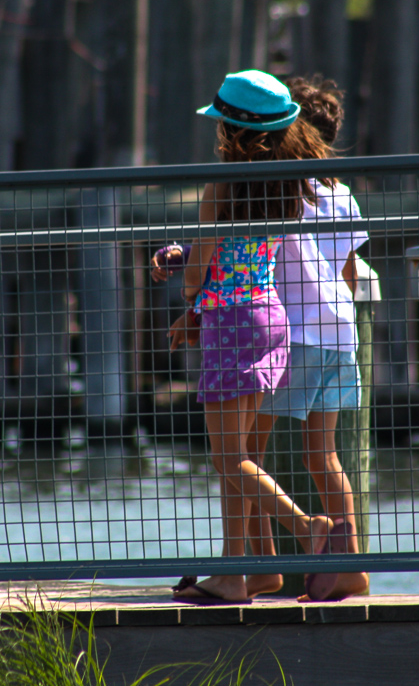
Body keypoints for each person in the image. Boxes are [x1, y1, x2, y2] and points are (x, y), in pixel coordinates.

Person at [151, 69, 340, 605]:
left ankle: (306, 527)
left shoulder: (222, 184)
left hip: (231, 326)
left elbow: (201, 272)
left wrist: (190, 298)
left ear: (231, 130)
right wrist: (192, 261)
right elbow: (236, 254)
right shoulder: (284, 184)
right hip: (268, 318)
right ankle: (235, 574)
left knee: (229, 460)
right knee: (237, 458)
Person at [247, 75, 371, 602]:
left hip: (294, 335)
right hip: (340, 332)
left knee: (245, 452)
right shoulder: (342, 193)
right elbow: (348, 270)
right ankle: (353, 568)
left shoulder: (286, 188)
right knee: (324, 456)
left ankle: (263, 567)